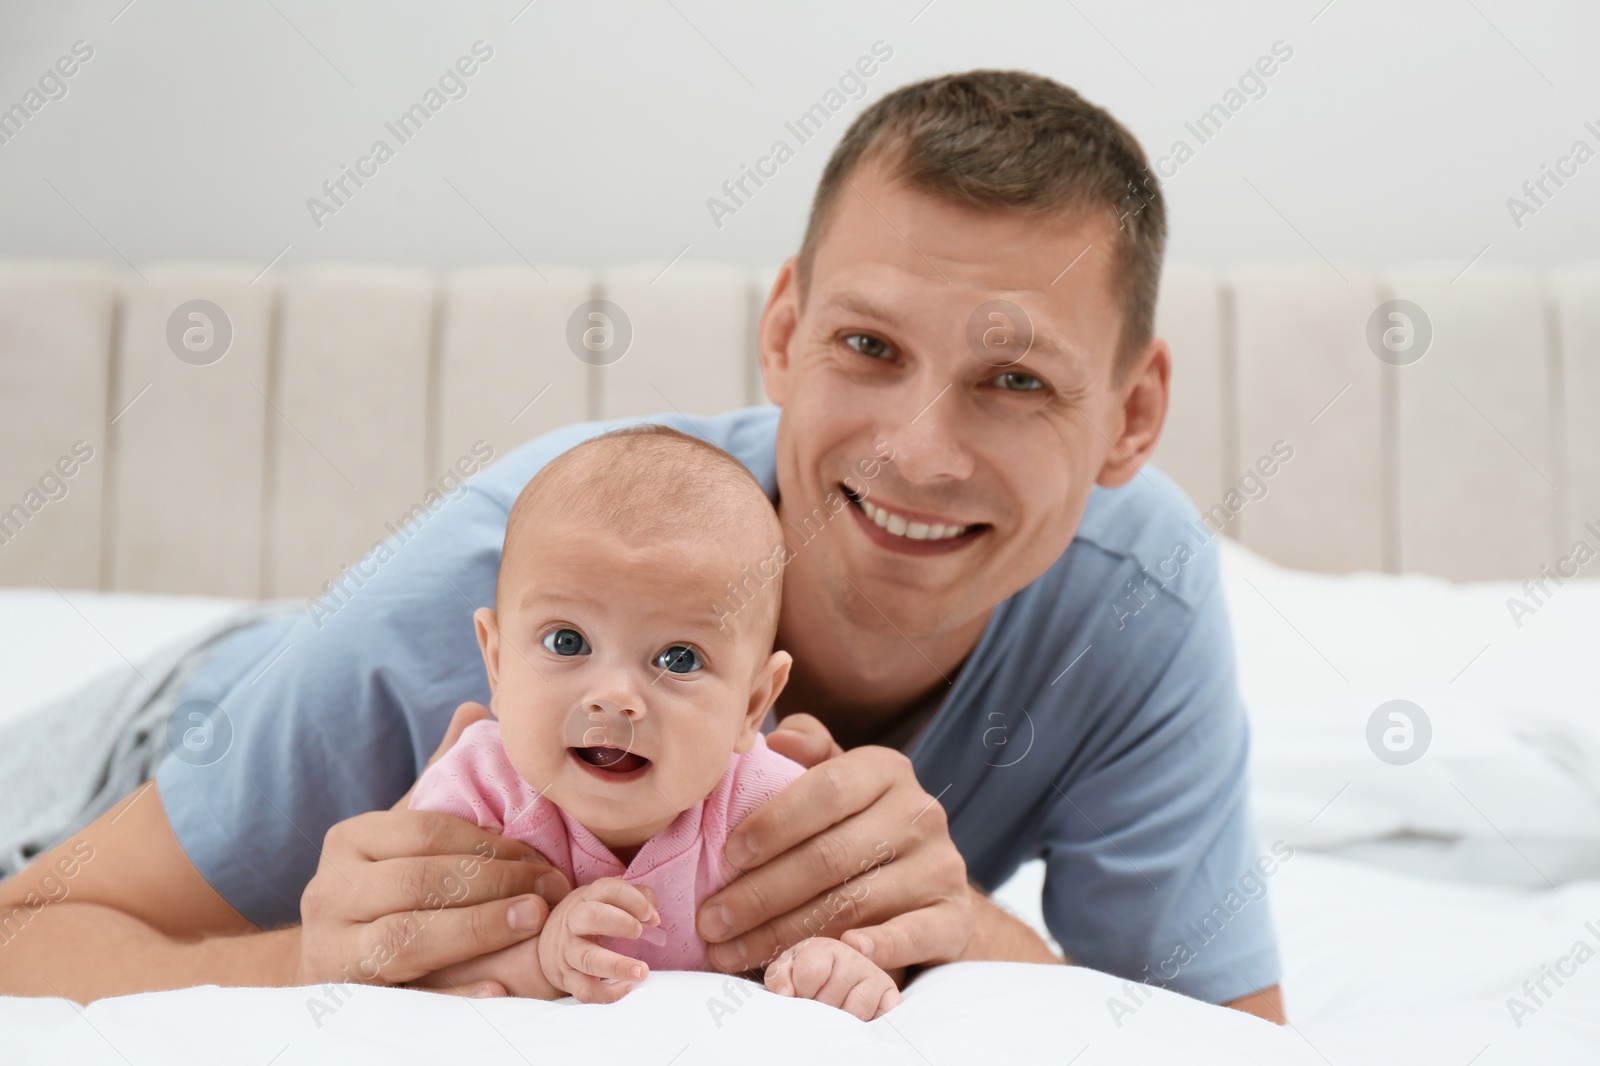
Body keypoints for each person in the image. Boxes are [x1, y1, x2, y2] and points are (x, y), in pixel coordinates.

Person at [0, 69, 1283, 1020]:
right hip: (170, 729)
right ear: (782, 330)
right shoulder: (506, 571)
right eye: (867, 347)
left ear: (1132, 415)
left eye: (1015, 380)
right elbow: (29, 938)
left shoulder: (1136, 597)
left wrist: (961, 934)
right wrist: (300, 960)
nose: (919, 452)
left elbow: (1231, 1042)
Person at [405, 424, 901, 1019]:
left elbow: (868, 926)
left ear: (751, 706)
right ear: (496, 662)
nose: (614, 698)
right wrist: (541, 958)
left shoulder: (764, 809)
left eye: (679, 659)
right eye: (567, 641)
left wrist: (836, 963)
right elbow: (415, 958)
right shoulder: (476, 795)